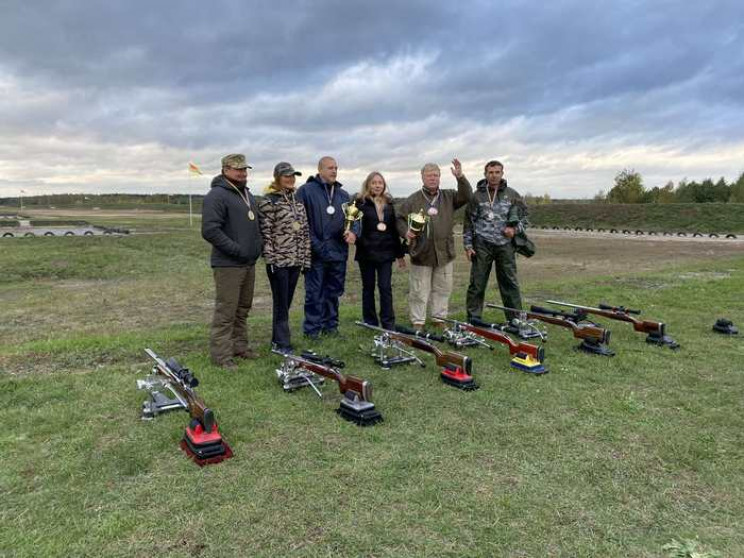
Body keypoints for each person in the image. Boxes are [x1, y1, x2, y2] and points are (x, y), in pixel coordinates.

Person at [201, 153, 263, 369]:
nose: (243, 173)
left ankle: (240, 347)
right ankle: (221, 357)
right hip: (228, 265)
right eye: (238, 169)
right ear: (225, 170)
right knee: (226, 311)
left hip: (248, 263)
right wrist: (236, 250)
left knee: (242, 309)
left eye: (245, 169)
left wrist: (257, 247)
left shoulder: (246, 193)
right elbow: (210, 230)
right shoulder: (216, 195)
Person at [396, 160, 472, 329]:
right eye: (429, 175)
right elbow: (399, 219)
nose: (432, 178)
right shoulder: (413, 200)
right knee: (419, 290)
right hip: (421, 252)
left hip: (445, 252)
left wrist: (460, 177)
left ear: (440, 177)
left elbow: (467, 196)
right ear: (422, 177)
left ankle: (439, 318)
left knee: (443, 288)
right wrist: (405, 232)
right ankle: (418, 321)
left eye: (435, 175)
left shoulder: (449, 196)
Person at [296, 156, 358, 339]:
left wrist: (354, 232)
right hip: (316, 253)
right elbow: (300, 223)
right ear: (320, 170)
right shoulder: (306, 191)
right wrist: (316, 245)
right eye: (330, 168)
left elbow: (354, 220)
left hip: (338, 252)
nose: (334, 171)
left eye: (336, 168)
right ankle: (312, 330)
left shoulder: (343, 195)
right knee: (314, 293)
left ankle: (331, 327)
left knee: (333, 292)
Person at [258, 162, 312, 354]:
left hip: (295, 261)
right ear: (277, 178)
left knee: (286, 303)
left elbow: (304, 232)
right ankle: (282, 344)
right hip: (279, 262)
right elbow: (266, 233)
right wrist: (270, 260)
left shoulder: (298, 203)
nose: (290, 179)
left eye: (293, 176)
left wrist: (306, 260)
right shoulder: (269, 201)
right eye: (286, 176)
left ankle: (277, 340)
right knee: (281, 302)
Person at [463, 160, 526, 323]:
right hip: (482, 245)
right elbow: (468, 222)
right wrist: (468, 246)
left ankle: (516, 320)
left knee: (509, 284)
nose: (494, 175)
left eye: (497, 172)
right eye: (490, 172)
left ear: (502, 174)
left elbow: (525, 218)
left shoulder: (512, 194)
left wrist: (514, 229)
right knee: (477, 284)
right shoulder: (477, 196)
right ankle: (474, 320)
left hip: (505, 246)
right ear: (485, 174)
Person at [353, 172, 406, 330]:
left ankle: (388, 323)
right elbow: (355, 227)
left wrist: (400, 254)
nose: (377, 185)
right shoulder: (360, 203)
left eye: (380, 183)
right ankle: (370, 322)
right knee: (368, 288)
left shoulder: (390, 204)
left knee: (385, 288)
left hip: (386, 253)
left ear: (384, 185)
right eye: (374, 182)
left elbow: (394, 231)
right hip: (366, 253)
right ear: (368, 184)